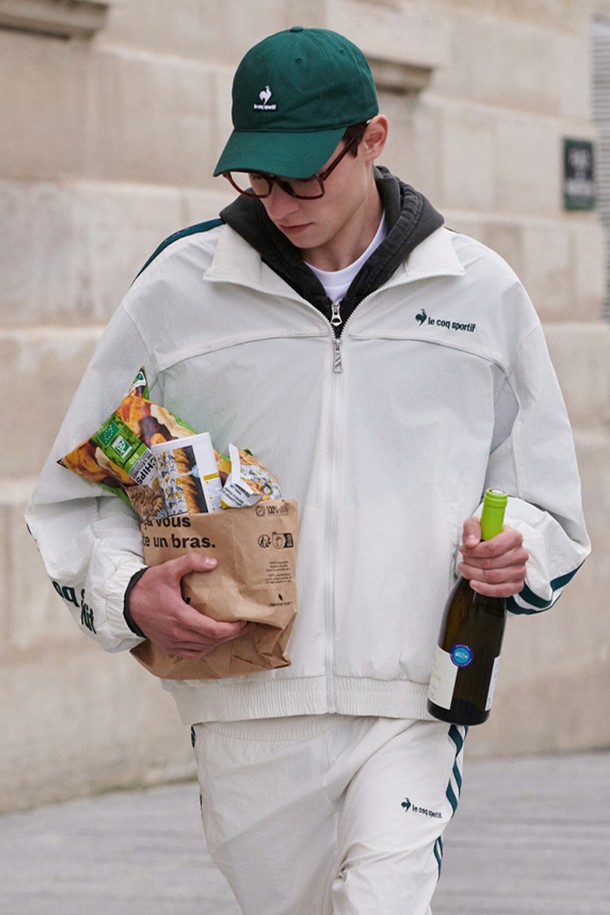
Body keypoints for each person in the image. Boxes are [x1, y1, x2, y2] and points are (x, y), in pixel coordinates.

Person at [26, 25, 590, 915]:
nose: (278, 201)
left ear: (372, 140)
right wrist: (130, 593)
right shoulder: (178, 289)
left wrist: (516, 544)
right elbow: (77, 495)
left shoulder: (479, 294)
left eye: (304, 176)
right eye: (255, 177)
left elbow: (549, 502)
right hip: (245, 709)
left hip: (412, 696)